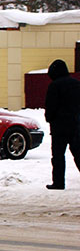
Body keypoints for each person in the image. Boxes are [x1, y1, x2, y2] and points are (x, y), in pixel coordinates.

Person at [44, 58, 80, 190]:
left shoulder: (54, 86)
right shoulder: (76, 84)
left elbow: (51, 105)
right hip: (75, 124)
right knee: (78, 152)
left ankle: (59, 182)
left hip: (59, 127)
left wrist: (49, 118)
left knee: (58, 156)